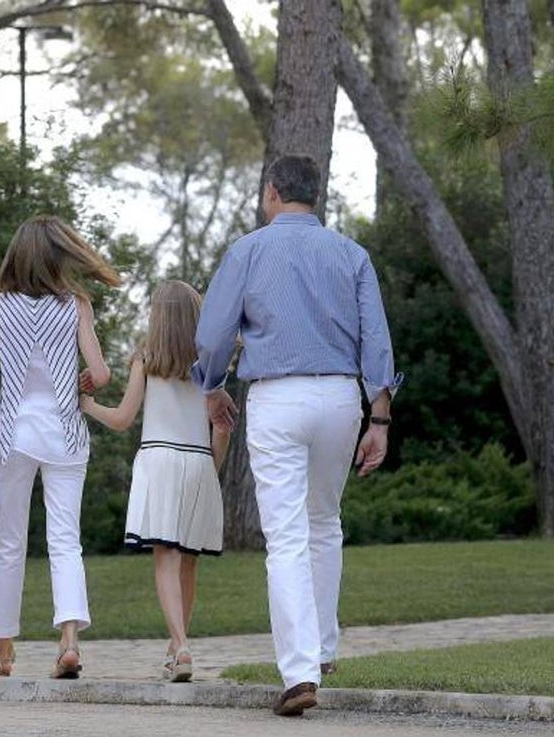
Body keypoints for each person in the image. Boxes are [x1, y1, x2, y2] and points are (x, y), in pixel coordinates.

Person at [192, 155, 402, 717]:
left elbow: (213, 333)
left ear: (271, 192)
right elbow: (376, 340)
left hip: (277, 397)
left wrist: (212, 387)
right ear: (316, 195)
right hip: (339, 397)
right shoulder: (351, 254)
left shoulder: (247, 251)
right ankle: (322, 648)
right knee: (324, 522)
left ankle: (300, 670)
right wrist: (379, 419)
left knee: (285, 536)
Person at [0, 215, 121, 679]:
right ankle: (69, 642)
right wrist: (83, 384)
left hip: (11, 432)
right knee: (64, 540)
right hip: (64, 432)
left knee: (10, 541)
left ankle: (4, 648)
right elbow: (101, 374)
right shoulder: (76, 305)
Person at [81, 280, 229, 683]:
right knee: (189, 561)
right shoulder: (209, 365)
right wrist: (210, 471)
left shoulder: (145, 359)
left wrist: (88, 405)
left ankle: (180, 646)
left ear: (158, 317)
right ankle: (176, 647)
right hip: (198, 462)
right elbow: (221, 429)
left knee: (166, 557)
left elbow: (122, 419)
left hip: (159, 460)